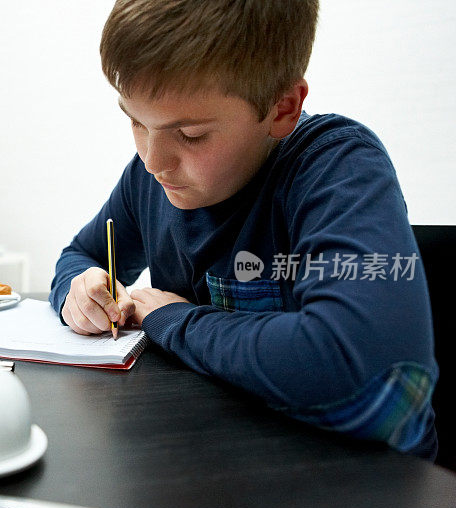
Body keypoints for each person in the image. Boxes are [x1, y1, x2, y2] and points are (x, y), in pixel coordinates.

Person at [49, 0, 438, 458]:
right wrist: (81, 291)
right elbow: (80, 255)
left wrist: (171, 319)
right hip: (216, 460)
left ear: (282, 109)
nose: (153, 161)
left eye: (191, 135)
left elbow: (354, 361)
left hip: (369, 489)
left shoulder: (337, 167)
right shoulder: (148, 179)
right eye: (135, 120)